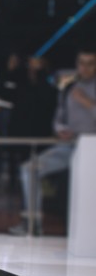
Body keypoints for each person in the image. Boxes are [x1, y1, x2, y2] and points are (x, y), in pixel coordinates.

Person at [11, 45, 96, 235]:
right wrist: (61, 130)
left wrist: (88, 103)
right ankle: (32, 224)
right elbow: (58, 119)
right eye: (82, 63)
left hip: (93, 149)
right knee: (30, 169)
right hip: (69, 146)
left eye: (90, 64)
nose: (86, 68)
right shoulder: (69, 89)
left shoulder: (82, 92)